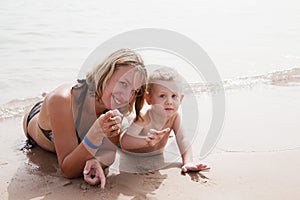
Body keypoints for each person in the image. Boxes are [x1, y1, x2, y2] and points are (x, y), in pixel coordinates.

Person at [22, 48, 147, 189]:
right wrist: (96, 132)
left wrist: (97, 162)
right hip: (39, 115)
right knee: (56, 100)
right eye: (123, 83)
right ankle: (45, 98)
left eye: (133, 91)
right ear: (105, 73)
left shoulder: (118, 104)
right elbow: (68, 170)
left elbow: (108, 153)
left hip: (84, 106)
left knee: (129, 124)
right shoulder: (62, 100)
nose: (126, 97)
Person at [120, 67, 210, 173]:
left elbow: (183, 139)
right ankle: (125, 116)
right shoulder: (144, 117)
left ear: (181, 99)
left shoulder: (174, 117)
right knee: (123, 123)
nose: (169, 101)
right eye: (162, 96)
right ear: (149, 99)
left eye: (174, 96)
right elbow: (125, 143)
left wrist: (188, 162)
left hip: (155, 154)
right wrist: (146, 141)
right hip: (131, 150)